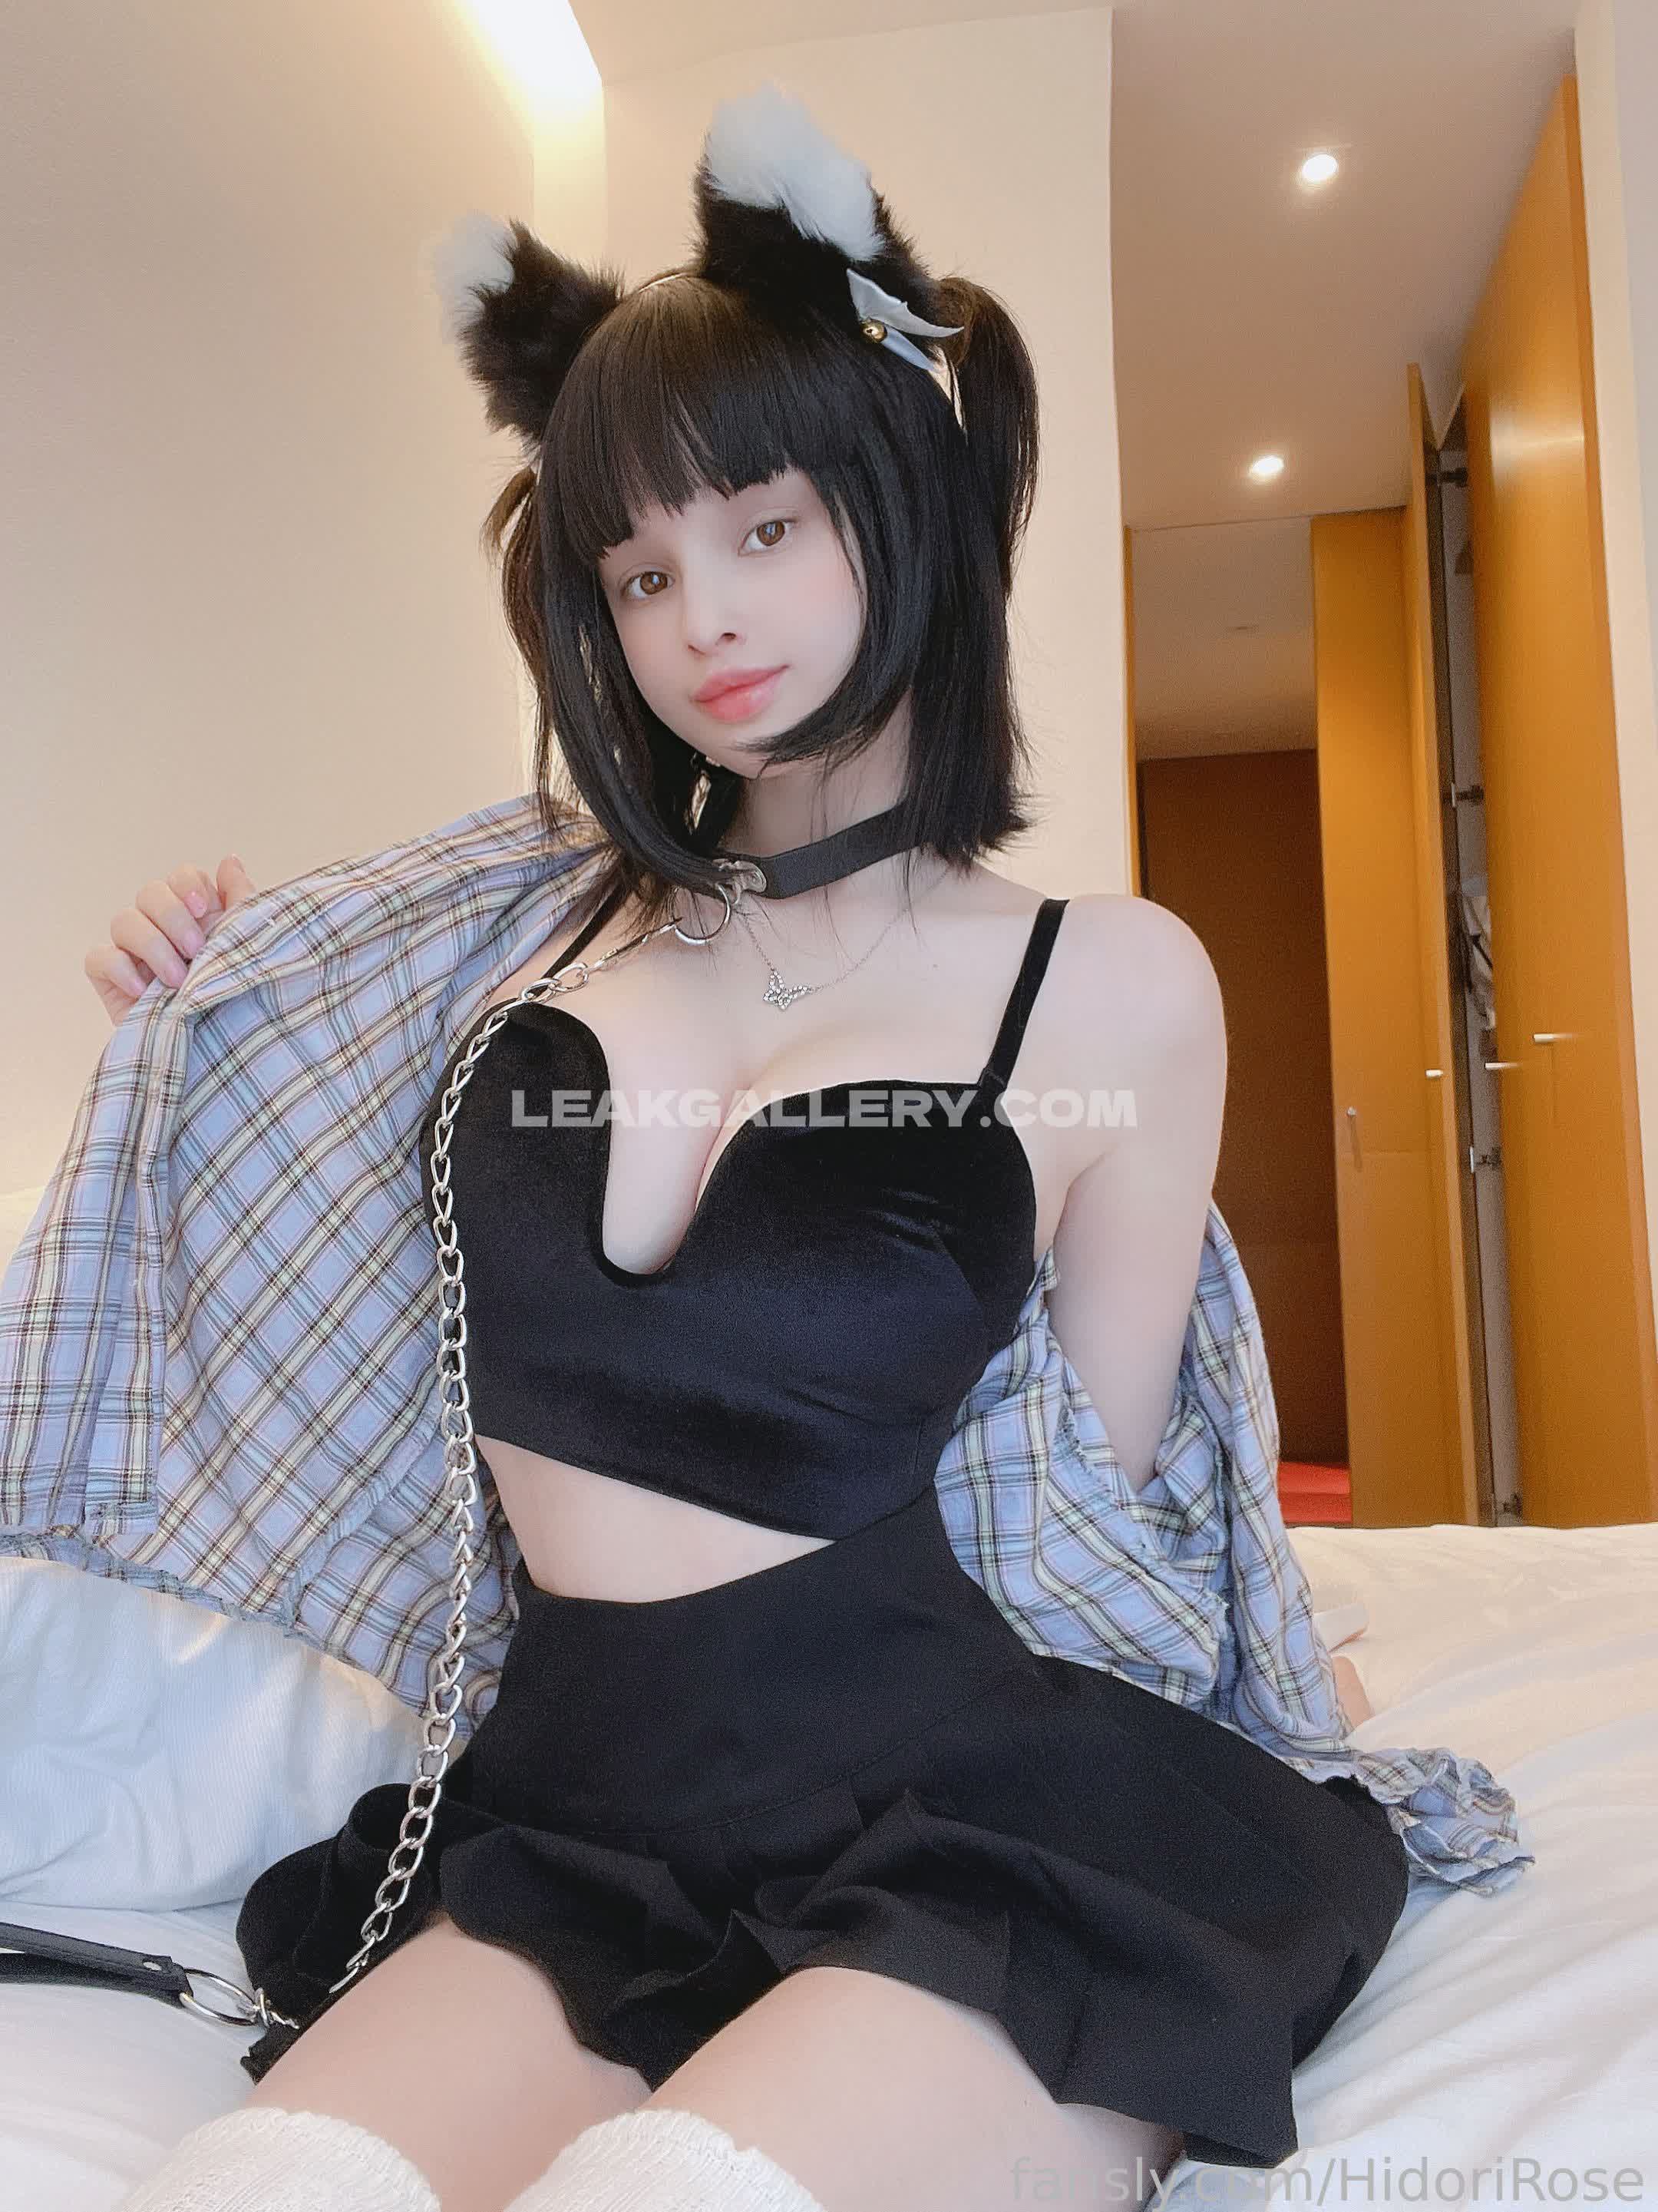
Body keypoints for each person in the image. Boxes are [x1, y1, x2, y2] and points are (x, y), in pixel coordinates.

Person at [101, 82, 1420, 2212]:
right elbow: (310, 1247)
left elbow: (1094, 1481)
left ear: (900, 504)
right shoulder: (522, 934)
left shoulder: (1106, 988)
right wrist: (199, 994)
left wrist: (1273, 1661)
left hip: (947, 1804)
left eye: (764, 528)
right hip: (572, 1816)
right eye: (638, 569)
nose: (698, 613)